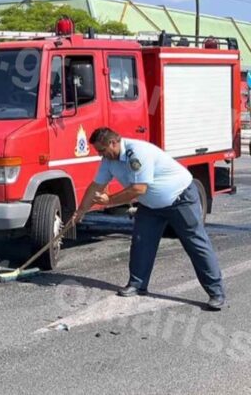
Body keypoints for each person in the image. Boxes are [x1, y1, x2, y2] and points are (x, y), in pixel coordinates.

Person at [77, 127, 225, 311]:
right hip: (150, 206)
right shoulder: (109, 160)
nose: (100, 155)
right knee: (141, 242)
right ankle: (137, 284)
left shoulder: (137, 153)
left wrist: (110, 200)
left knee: (195, 244)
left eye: (102, 150)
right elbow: (96, 186)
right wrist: (80, 211)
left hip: (180, 199)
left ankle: (216, 292)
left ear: (113, 143)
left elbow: (139, 189)